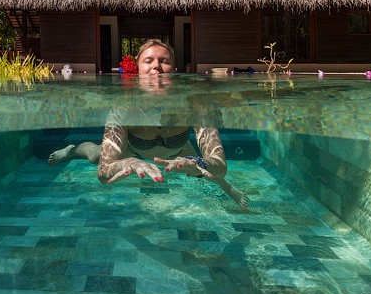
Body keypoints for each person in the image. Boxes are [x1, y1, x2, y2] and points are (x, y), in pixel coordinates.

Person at [48, 38, 248, 208]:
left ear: (174, 70)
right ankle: (72, 150)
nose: (156, 66)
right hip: (133, 151)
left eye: (164, 61)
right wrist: (130, 162)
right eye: (148, 61)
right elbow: (103, 173)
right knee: (94, 155)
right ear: (137, 70)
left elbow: (220, 165)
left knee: (202, 170)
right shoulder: (123, 107)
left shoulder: (195, 105)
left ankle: (230, 189)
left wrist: (198, 162)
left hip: (179, 151)